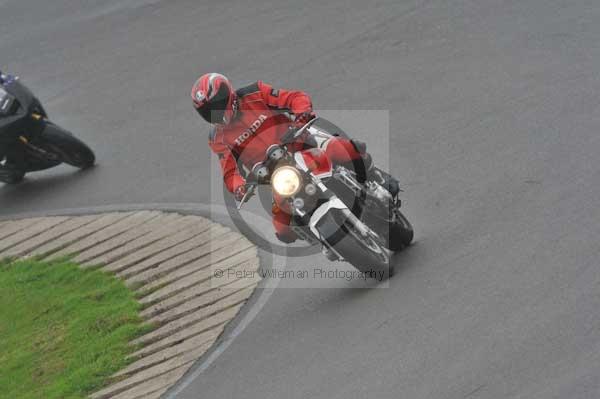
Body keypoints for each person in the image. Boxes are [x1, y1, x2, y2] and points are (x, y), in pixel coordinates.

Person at [191, 73, 398, 243]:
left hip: (299, 143)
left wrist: (302, 114)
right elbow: (229, 171)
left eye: (216, 104)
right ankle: (322, 240)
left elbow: (293, 98)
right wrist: (238, 187)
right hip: (275, 175)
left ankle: (375, 179)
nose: (215, 112)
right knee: (283, 229)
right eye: (207, 111)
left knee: (342, 150)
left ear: (227, 93)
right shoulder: (217, 137)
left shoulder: (255, 92)